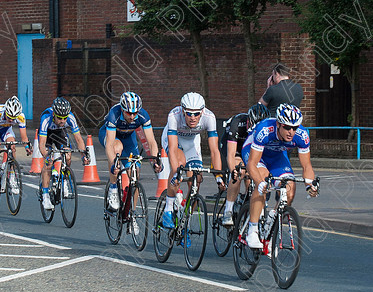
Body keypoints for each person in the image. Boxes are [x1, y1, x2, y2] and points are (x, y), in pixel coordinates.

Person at [242, 103, 319, 249]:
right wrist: (260, 183)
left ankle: (272, 220)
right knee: (263, 180)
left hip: (277, 157)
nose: (291, 132)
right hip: (255, 154)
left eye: (295, 128)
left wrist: (310, 185)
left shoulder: (302, 135)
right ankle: (252, 230)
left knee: (289, 188)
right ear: (278, 124)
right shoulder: (264, 130)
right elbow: (252, 164)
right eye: (287, 127)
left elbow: (306, 166)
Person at [160, 92, 223, 228]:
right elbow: (172, 147)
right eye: (189, 113)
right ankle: (168, 210)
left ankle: (185, 222)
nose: (193, 118)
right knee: (180, 164)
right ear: (183, 111)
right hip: (174, 139)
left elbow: (214, 150)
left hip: (192, 143)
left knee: (196, 180)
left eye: (196, 114)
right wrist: (176, 172)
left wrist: (218, 176)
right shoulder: (174, 115)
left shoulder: (209, 117)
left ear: (202, 111)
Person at [98, 91, 162, 210]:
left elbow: (151, 141)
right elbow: (110, 144)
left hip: (128, 138)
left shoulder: (143, 115)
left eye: (135, 113)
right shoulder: (114, 114)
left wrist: (155, 161)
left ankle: (131, 212)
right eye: (128, 113)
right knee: (117, 148)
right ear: (122, 110)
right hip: (111, 136)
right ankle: (113, 189)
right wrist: (113, 164)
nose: (132, 116)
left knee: (135, 173)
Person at [219, 103, 270, 227]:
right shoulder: (238, 123)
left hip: (250, 148)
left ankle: (249, 206)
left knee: (254, 176)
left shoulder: (266, 129)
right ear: (249, 121)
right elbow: (231, 154)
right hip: (234, 145)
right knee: (239, 172)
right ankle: (228, 211)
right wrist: (233, 171)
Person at [37, 97, 89, 210]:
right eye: (60, 118)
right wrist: (46, 156)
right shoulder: (46, 118)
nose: (62, 121)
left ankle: (64, 179)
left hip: (60, 133)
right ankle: (45, 195)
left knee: (68, 154)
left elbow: (79, 139)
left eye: (64, 118)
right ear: (54, 115)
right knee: (49, 163)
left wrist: (83, 155)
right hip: (47, 136)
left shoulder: (70, 117)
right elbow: (41, 144)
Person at [0, 96, 31, 192]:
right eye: (9, 117)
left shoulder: (21, 117)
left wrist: (27, 146)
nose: (11, 120)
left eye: (14, 118)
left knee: (12, 146)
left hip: (6, 129)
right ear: (6, 111)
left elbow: (24, 137)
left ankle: (11, 176)